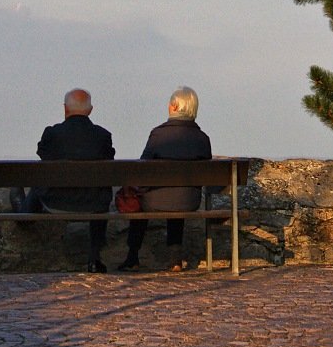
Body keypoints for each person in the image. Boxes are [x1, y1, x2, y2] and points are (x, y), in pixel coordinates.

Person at [13, 88, 115, 273]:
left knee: (41, 178)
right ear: (90, 110)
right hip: (93, 203)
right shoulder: (102, 136)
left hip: (55, 201)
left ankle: (24, 214)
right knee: (101, 191)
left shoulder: (52, 134)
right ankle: (94, 258)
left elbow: (43, 155)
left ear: (65, 109)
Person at [118, 86, 211, 272]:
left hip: (155, 201)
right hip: (189, 201)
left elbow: (143, 169)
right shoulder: (202, 138)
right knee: (178, 197)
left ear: (175, 106)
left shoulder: (158, 135)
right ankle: (175, 260)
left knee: (144, 199)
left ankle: (132, 257)